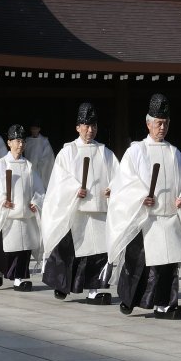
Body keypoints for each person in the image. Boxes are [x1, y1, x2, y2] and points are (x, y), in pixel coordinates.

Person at [107, 94, 181, 319]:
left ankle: (165, 304)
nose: (162, 127)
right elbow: (124, 182)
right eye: (158, 123)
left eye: (165, 123)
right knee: (141, 265)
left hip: (168, 217)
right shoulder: (136, 151)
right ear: (148, 124)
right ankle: (130, 299)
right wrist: (140, 197)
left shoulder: (176, 154)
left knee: (168, 266)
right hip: (146, 218)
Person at [41, 103, 119, 304]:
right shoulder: (68, 152)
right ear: (78, 127)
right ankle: (62, 283)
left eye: (93, 125)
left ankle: (95, 289)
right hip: (75, 211)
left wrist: (113, 188)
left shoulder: (106, 153)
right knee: (68, 251)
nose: (90, 130)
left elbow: (119, 177)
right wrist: (75, 190)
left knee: (98, 252)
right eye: (86, 125)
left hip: (99, 210)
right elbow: (59, 181)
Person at [0, 124, 44, 291]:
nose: (20, 145)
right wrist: (1, 200)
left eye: (23, 142)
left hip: (24, 214)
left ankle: (20, 277)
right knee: (2, 249)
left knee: (23, 249)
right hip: (6, 216)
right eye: (17, 141)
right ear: (9, 142)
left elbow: (38, 189)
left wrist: (36, 201)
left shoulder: (28, 166)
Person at [24, 119, 55, 187]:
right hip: (29, 169)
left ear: (39, 129)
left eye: (36, 129)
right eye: (33, 129)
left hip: (40, 169)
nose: (34, 130)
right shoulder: (27, 141)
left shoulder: (44, 141)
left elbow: (49, 156)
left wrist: (40, 165)